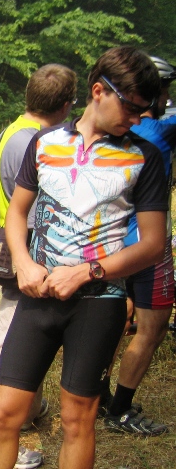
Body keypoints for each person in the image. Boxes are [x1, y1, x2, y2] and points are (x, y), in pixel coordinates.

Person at [0, 46, 167, 469]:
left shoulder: (144, 156)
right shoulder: (44, 142)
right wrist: (23, 262)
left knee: (77, 419)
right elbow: (17, 212)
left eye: (143, 110)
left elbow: (153, 244)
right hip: (39, 297)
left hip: (99, 302)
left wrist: (86, 272)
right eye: (131, 107)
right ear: (99, 91)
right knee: (6, 413)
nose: (137, 119)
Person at [0, 63, 77, 469]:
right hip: (27, 254)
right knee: (5, 351)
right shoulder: (37, 141)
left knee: (24, 344)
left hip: (11, 245)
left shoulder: (13, 130)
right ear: (67, 105)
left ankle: (29, 408)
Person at [100, 55, 176, 435]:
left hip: (111, 241)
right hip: (148, 245)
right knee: (153, 328)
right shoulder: (161, 131)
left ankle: (98, 395)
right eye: (165, 91)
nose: (166, 99)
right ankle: (120, 409)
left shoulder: (111, 133)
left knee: (117, 319)